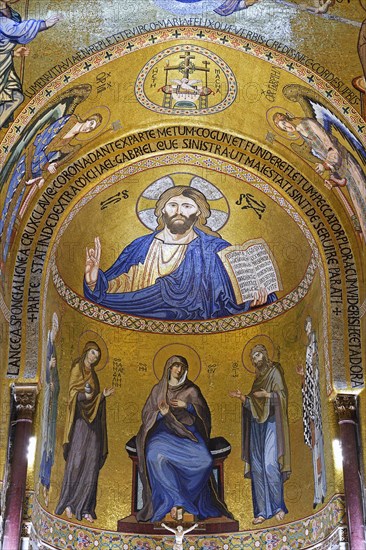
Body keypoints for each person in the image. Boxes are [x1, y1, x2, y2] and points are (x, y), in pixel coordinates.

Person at [84, 186, 277, 320]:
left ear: (197, 214)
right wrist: (94, 281)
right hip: (141, 321)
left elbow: (226, 298)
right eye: (172, 205)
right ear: (162, 211)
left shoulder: (215, 250)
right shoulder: (140, 246)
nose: (179, 211)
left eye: (187, 206)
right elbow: (121, 286)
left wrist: (253, 303)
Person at [135, 355, 233, 523]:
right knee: (154, 455)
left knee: (204, 460)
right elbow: (146, 415)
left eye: (181, 367)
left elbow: (204, 415)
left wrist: (187, 406)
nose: (178, 370)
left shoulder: (191, 390)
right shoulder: (159, 390)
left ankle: (185, 500)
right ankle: (174, 503)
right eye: (175, 366)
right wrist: (162, 414)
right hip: (163, 432)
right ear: (168, 368)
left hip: (188, 432)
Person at [0, 113, 102, 261]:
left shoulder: (70, 142)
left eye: (92, 128)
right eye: (91, 124)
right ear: (87, 118)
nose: (89, 128)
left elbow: (59, 158)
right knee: (10, 200)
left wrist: (43, 175)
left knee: (15, 206)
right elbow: (40, 142)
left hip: (36, 170)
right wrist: (46, 166)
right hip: (28, 164)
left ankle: (3, 247)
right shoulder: (69, 121)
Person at [273, 112, 366, 240]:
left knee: (363, 198)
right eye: (283, 128)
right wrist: (334, 181)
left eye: (284, 123)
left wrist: (326, 165)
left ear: (288, 117)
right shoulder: (302, 134)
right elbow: (328, 160)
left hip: (349, 165)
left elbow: (331, 146)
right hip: (343, 171)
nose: (287, 128)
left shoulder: (308, 124)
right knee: (360, 211)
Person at [229, 344, 290, 524]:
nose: (256, 359)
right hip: (256, 426)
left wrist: (269, 395)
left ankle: (278, 506)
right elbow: (253, 405)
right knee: (257, 467)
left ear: (264, 355)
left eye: (258, 355)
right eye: (253, 357)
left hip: (272, 422)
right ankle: (262, 511)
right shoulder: (256, 381)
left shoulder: (275, 372)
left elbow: (283, 396)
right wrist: (243, 398)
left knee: (270, 464)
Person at [55, 341, 114, 522]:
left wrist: (101, 395)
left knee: (91, 465)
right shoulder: (77, 368)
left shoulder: (93, 375)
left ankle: (87, 507)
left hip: (93, 426)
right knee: (77, 462)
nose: (94, 357)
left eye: (97, 355)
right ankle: (70, 503)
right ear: (86, 351)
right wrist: (85, 395)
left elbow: (94, 399)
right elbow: (72, 394)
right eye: (92, 352)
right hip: (80, 423)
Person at [0, 0, 61, 129]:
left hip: (4, 62)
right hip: (2, 63)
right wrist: (43, 24)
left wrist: (12, 53)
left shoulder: (13, 14)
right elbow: (12, 30)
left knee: (15, 97)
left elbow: (13, 36)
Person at [297, 317, 327, 508]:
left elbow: (316, 377)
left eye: (309, 327)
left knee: (320, 448)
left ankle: (322, 489)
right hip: (311, 408)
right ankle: (317, 493)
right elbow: (306, 385)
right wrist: (302, 377)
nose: (308, 331)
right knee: (314, 449)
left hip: (317, 407)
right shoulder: (309, 354)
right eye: (306, 328)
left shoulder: (315, 352)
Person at [39, 312, 60, 506]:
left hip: (53, 412)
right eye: (52, 328)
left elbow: (57, 385)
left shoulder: (53, 352)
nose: (54, 331)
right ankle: (42, 483)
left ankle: (46, 486)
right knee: (45, 443)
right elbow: (47, 379)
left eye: (56, 329)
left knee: (51, 445)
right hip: (46, 408)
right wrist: (48, 367)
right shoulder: (48, 349)